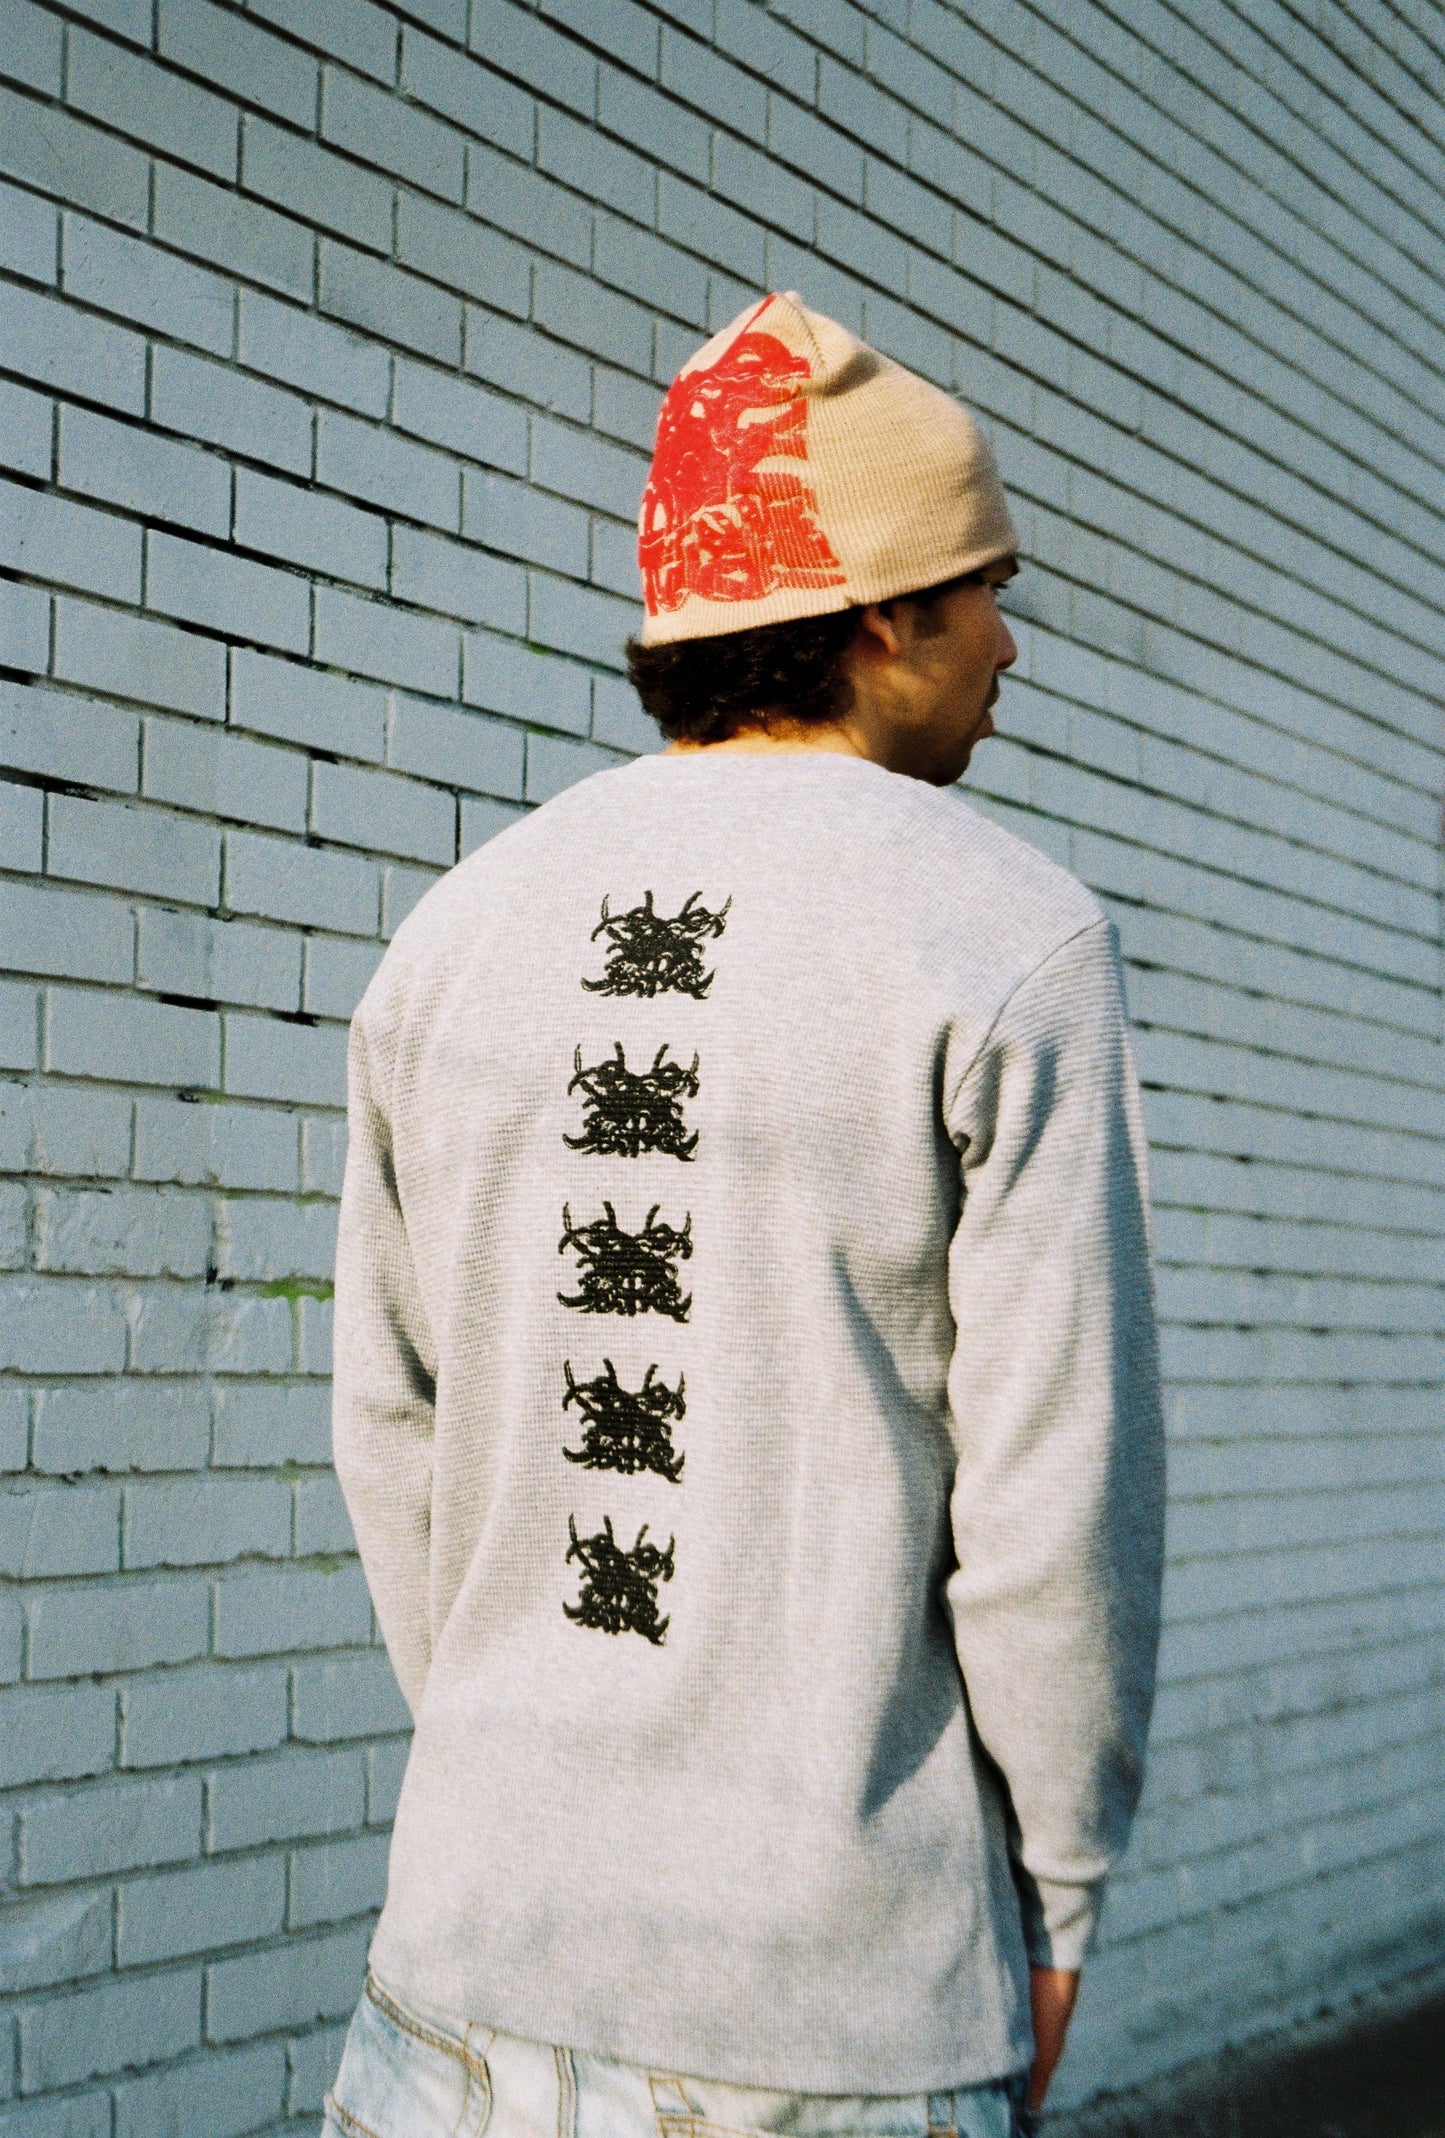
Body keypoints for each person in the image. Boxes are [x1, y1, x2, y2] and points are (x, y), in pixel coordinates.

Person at [326, 292, 1166, 2138]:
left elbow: (396, 1438)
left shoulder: (454, 934)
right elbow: (1053, 1499)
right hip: (825, 2008)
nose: (1009, 647)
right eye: (985, 591)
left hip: (455, 1991)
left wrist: (514, 1754)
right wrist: (1062, 1883)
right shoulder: (1004, 936)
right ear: (882, 614)